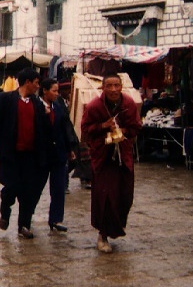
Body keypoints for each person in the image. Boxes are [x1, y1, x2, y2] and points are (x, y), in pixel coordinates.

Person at [80, 73, 142, 253]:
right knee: (106, 197)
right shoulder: (95, 106)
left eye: (117, 85)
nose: (114, 90)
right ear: (103, 88)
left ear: (121, 86)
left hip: (123, 157)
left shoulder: (128, 104)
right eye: (110, 86)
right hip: (103, 158)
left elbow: (136, 127)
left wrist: (122, 130)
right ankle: (103, 235)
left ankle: (116, 227)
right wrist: (103, 126)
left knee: (124, 196)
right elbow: (85, 130)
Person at [0, 68, 52, 239]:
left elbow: (43, 130)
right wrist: (1, 146)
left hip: (31, 156)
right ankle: (5, 211)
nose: (38, 87)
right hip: (11, 155)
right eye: (36, 83)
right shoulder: (5, 99)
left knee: (29, 192)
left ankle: (24, 224)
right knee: (11, 187)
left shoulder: (37, 104)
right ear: (27, 82)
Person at [39, 78, 79, 232]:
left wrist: (70, 149)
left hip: (59, 153)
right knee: (36, 187)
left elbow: (65, 128)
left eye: (57, 91)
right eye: (54, 90)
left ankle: (56, 219)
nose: (56, 94)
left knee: (59, 188)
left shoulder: (59, 106)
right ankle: (26, 219)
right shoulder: (36, 105)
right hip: (42, 154)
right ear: (44, 90)